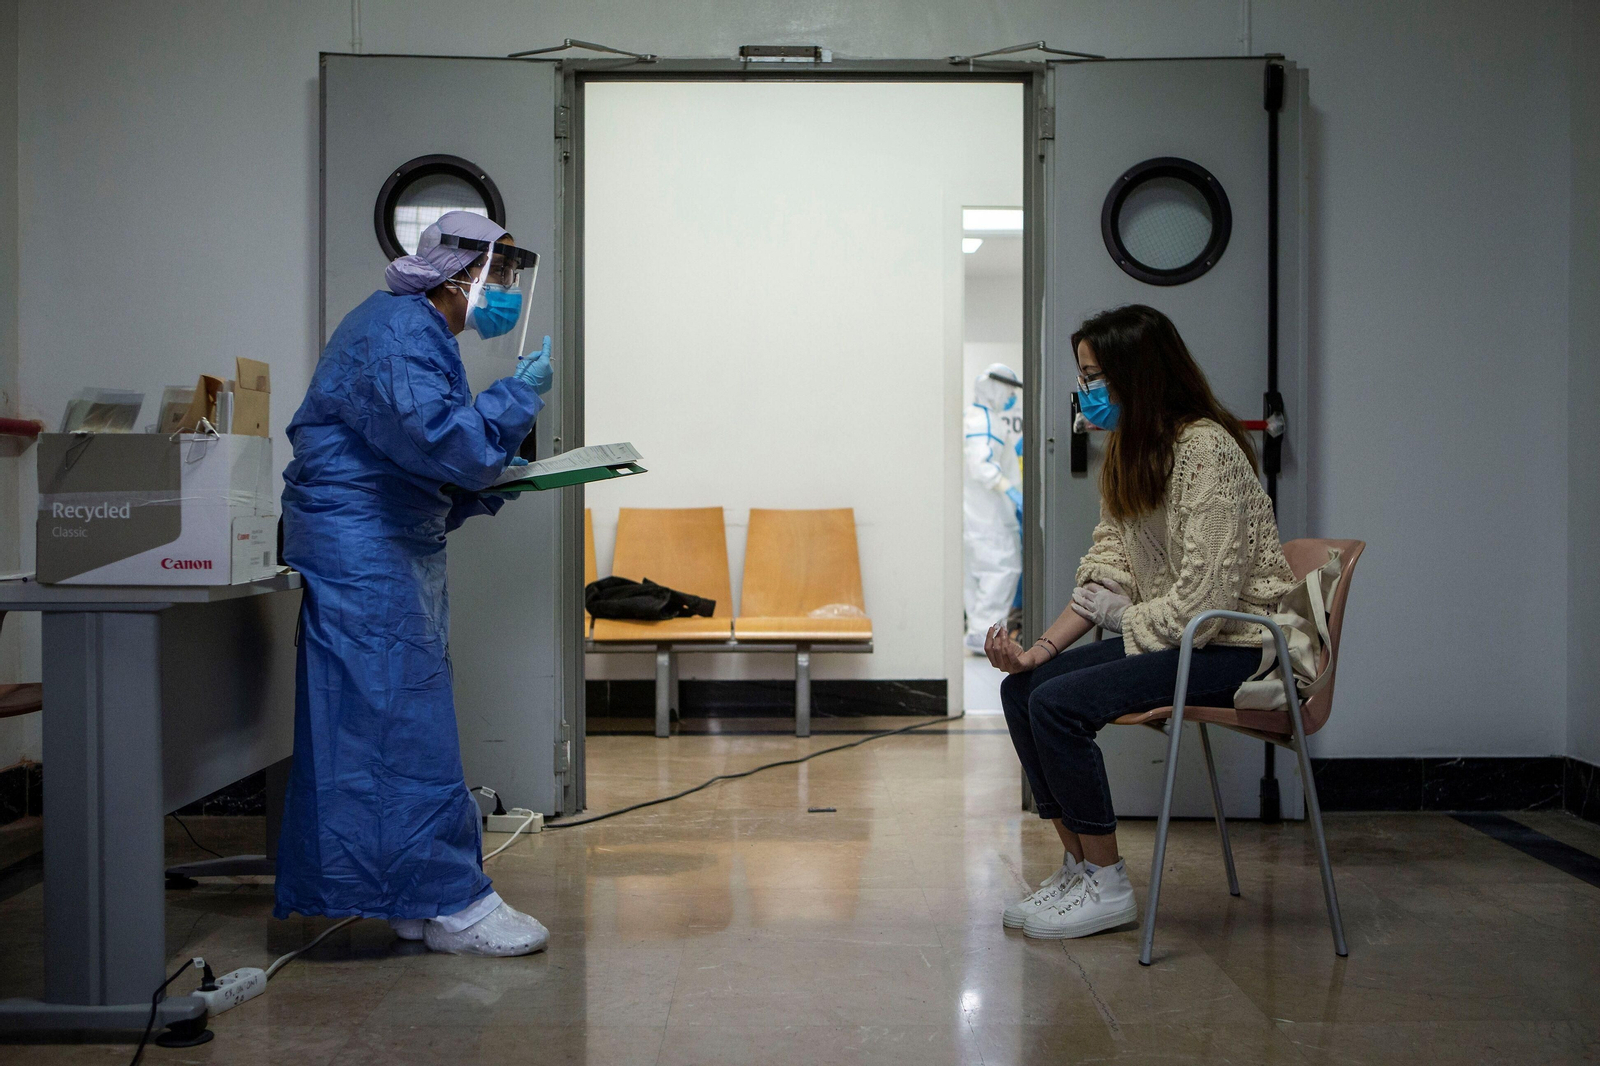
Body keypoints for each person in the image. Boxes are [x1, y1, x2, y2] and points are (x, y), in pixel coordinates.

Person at [274, 211, 554, 957]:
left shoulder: (416, 333)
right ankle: (455, 904)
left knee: (375, 725)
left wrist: (497, 479)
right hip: (364, 547)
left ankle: (409, 900)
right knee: (402, 723)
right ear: (461, 273)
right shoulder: (400, 331)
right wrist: (517, 400)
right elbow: (449, 445)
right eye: (499, 277)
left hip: (384, 541)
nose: (505, 296)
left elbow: (417, 461)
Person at [986, 305, 1296, 940]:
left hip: (1239, 645)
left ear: (1141, 374)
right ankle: (1078, 865)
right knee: (1022, 692)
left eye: (1096, 376)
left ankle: (1107, 882)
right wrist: (1038, 653)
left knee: (1060, 707)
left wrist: (1122, 616)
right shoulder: (1131, 450)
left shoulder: (1207, 449)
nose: (1087, 392)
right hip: (1182, 636)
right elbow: (1108, 566)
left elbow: (1202, 608)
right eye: (1084, 377)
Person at [963, 364, 1025, 654]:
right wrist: (1011, 491)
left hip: (974, 516)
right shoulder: (986, 421)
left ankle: (979, 632)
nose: (1012, 397)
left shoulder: (971, 418)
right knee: (1002, 569)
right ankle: (984, 635)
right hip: (991, 518)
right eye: (1010, 390)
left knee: (979, 576)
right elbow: (981, 465)